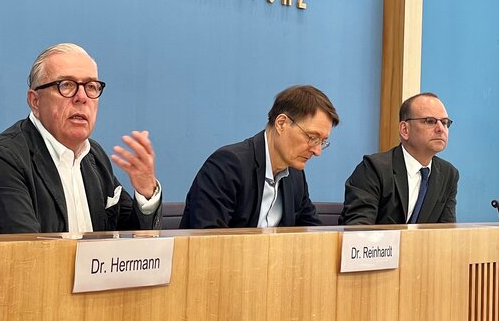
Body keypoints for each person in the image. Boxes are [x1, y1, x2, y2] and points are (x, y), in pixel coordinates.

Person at [0, 43, 161, 234]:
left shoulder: (94, 157)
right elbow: (26, 254)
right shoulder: (0, 160)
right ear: (35, 101)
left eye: (91, 86)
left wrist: (145, 193)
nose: (82, 97)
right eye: (66, 85)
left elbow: (132, 247)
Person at [180, 85, 339, 228]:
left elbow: (315, 236)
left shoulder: (296, 176)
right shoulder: (227, 166)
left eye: (322, 141)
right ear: (281, 123)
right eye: (312, 137)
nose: (317, 151)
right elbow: (208, 242)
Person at [339, 92, 458, 224]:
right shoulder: (374, 169)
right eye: (430, 121)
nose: (441, 129)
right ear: (404, 130)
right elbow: (358, 230)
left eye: (445, 122)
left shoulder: (448, 174)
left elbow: (446, 233)